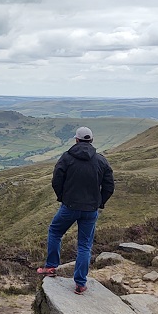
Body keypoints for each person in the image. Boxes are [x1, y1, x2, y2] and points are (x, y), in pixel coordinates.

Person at [37, 126, 115, 294]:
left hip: (69, 206)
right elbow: (109, 186)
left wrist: (62, 197)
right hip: (90, 210)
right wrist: (99, 202)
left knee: (55, 232)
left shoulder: (67, 157)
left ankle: (50, 267)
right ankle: (80, 283)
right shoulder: (101, 160)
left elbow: (56, 180)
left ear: (77, 140)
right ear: (91, 141)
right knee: (84, 245)